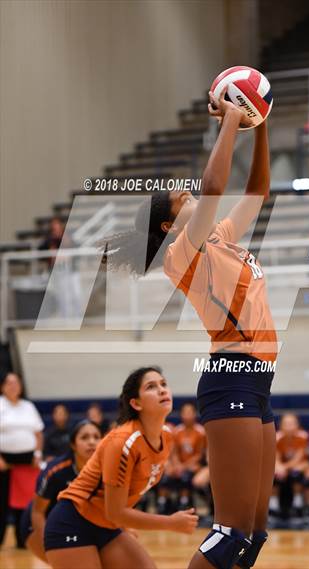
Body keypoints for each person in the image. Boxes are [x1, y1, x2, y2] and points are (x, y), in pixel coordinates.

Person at [103, 87, 277, 569]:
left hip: (259, 380)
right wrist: (229, 119)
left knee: (252, 534)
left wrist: (258, 127)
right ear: (167, 226)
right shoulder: (184, 251)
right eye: (183, 198)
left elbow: (257, 190)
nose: (193, 195)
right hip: (232, 377)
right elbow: (216, 183)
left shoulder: (218, 236)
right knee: (230, 532)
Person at [43, 367, 198, 569]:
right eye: (151, 387)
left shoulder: (167, 436)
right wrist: (170, 522)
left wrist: (123, 524)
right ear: (136, 403)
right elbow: (115, 512)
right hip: (72, 523)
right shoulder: (122, 442)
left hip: (108, 525)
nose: (162, 390)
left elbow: (124, 498)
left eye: (163, 384)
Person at [20, 420, 102, 561]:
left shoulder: (106, 469)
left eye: (96, 437)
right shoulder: (55, 471)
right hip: (38, 523)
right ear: (73, 444)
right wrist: (51, 543)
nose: (91, 442)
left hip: (75, 523)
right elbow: (37, 512)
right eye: (84, 437)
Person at [0, 372, 44, 548]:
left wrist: (38, 455)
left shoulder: (28, 407)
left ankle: (22, 539)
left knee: (25, 502)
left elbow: (38, 433)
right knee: (2, 502)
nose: (13, 386)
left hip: (28, 462)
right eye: (9, 383)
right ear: (2, 386)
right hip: (4, 462)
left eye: (16, 383)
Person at [158, 402, 206, 513]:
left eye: (190, 412)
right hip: (179, 465)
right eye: (185, 412)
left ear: (195, 414)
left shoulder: (200, 432)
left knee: (185, 478)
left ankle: (184, 503)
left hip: (192, 466)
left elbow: (199, 455)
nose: (187, 415)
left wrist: (184, 466)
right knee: (165, 477)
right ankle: (163, 503)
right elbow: (173, 452)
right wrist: (176, 465)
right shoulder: (177, 431)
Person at [272, 414, 309, 520]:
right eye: (286, 424)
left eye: (292, 424)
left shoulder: (302, 436)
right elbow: (276, 457)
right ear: (281, 425)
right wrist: (279, 467)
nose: (289, 427)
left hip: (298, 464)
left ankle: (298, 504)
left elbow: (298, 458)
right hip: (283, 466)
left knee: (296, 472)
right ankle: (273, 506)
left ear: (297, 425)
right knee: (273, 472)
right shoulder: (277, 436)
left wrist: (284, 468)